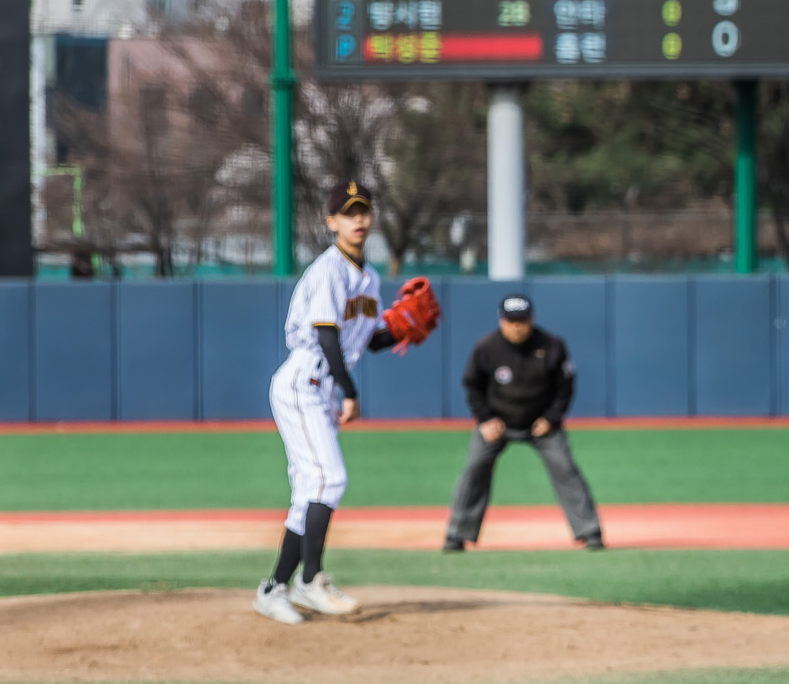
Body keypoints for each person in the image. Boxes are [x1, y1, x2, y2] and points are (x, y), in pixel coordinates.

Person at [256, 182, 422, 625]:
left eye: (364, 211)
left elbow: (367, 341)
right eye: (349, 213)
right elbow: (327, 336)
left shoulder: (366, 276)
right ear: (331, 222)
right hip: (304, 381)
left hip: (322, 386)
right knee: (330, 478)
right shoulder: (331, 269)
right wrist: (351, 391)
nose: (359, 220)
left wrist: (404, 330)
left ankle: (274, 590)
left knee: (310, 493)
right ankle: (310, 581)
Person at [443, 293, 604, 552]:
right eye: (511, 321)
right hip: (498, 421)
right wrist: (485, 419)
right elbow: (472, 386)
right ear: (501, 321)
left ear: (532, 320)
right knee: (474, 467)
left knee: (565, 467)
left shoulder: (552, 346)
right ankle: (456, 535)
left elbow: (565, 388)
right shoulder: (486, 347)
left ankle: (590, 531)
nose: (517, 326)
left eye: (522, 320)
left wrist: (551, 419)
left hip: (541, 423)